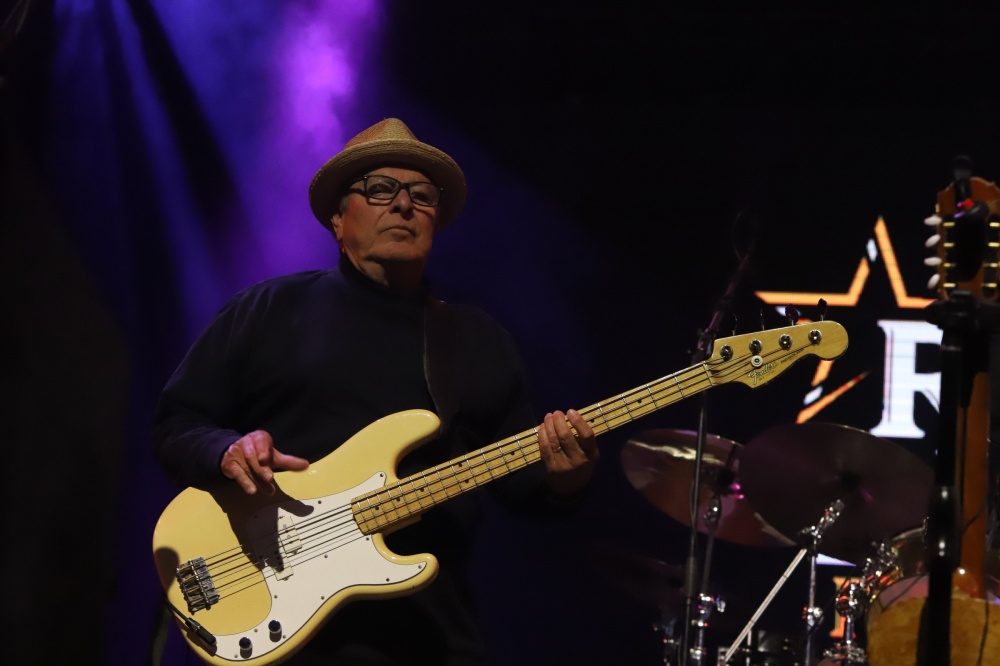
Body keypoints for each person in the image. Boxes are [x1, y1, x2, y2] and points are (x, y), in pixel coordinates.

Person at [152, 117, 599, 665]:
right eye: (381, 189)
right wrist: (226, 451)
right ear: (339, 219)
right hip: (276, 626)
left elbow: (523, 489)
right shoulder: (269, 310)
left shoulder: (477, 341)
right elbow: (176, 426)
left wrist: (566, 478)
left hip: (426, 639)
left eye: (422, 195)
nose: (404, 205)